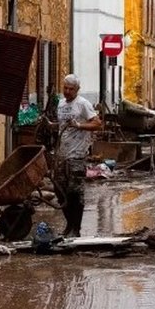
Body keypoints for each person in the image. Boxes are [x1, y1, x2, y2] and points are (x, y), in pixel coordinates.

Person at [54, 74, 102, 237]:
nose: (67, 91)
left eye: (71, 89)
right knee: (60, 191)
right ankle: (69, 224)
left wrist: (80, 125)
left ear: (77, 90)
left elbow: (97, 123)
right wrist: (51, 125)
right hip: (62, 154)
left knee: (75, 192)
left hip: (77, 155)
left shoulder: (83, 104)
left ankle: (76, 228)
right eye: (65, 88)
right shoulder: (60, 104)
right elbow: (62, 126)